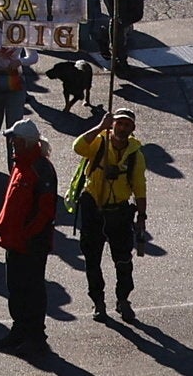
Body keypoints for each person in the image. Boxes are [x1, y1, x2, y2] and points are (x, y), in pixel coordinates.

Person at [68, 109, 144, 320]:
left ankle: (123, 299)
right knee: (92, 259)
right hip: (93, 209)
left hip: (119, 212)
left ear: (132, 129)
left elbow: (140, 187)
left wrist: (142, 218)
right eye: (119, 123)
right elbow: (78, 147)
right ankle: (98, 301)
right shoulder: (99, 142)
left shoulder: (135, 154)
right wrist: (101, 126)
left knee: (123, 261)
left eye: (127, 125)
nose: (122, 128)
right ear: (113, 125)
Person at [0, 119, 59, 355]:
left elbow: (46, 211)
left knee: (31, 289)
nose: (11, 143)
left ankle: (35, 336)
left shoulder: (41, 169)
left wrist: (26, 234)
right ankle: (20, 330)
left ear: (26, 141)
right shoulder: (21, 164)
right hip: (14, 241)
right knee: (16, 288)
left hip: (31, 244)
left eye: (15, 139)